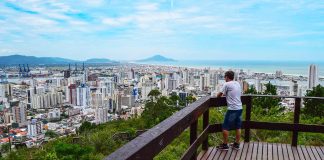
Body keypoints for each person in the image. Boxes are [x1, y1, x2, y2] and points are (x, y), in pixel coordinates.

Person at [216, 71, 242, 150]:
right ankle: (237, 144)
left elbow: (219, 95)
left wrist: (220, 95)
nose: (224, 78)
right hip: (239, 108)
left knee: (225, 127)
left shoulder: (226, 84)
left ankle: (225, 145)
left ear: (227, 77)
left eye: (225, 77)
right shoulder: (237, 83)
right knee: (238, 126)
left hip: (232, 109)